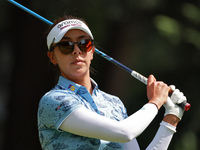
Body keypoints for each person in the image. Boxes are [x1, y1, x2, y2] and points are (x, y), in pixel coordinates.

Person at [37, 15, 187, 150]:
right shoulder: (53, 101)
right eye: (66, 45)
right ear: (52, 57)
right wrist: (155, 102)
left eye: (84, 43)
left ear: (92, 51)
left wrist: (171, 118)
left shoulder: (114, 103)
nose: (76, 51)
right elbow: (124, 132)